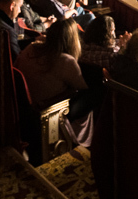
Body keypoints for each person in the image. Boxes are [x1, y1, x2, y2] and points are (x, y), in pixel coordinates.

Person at [15, 19, 93, 147]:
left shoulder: (31, 47)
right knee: (93, 95)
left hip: (24, 108)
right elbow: (82, 88)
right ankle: (83, 142)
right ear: (73, 40)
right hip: (45, 111)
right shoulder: (66, 61)